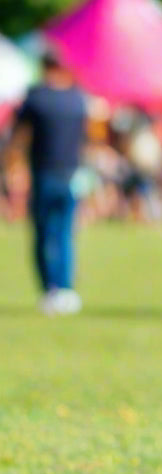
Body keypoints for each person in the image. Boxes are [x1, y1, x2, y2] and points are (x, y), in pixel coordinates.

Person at [5, 53, 88, 314]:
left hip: (44, 175)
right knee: (64, 233)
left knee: (43, 234)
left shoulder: (36, 98)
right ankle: (65, 287)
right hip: (73, 175)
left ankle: (50, 288)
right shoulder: (78, 99)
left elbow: (18, 137)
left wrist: (10, 169)